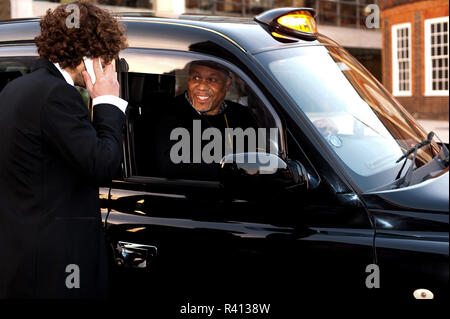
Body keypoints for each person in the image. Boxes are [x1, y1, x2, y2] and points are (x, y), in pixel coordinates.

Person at [0, 1, 128, 299]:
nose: (109, 64)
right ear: (89, 55)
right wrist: (107, 102)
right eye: (106, 55)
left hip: (24, 260)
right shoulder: (57, 95)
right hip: (53, 270)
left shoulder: (17, 88)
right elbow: (103, 164)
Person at [153, 61, 259, 180]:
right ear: (188, 80)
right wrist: (234, 167)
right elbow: (172, 167)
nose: (202, 86)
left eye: (212, 80)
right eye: (196, 78)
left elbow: (259, 158)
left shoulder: (241, 115)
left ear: (227, 83)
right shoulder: (170, 113)